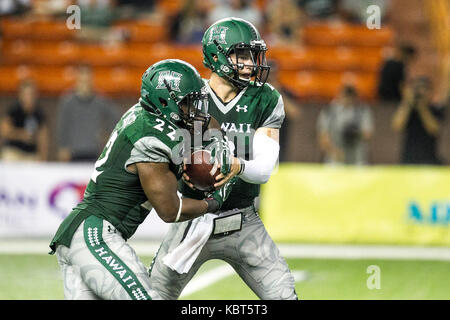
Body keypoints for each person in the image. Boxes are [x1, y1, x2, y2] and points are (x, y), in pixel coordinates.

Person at [49, 59, 235, 300]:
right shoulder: (149, 138)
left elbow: (208, 124)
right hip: (94, 234)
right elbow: (171, 210)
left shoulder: (148, 116)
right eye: (188, 103)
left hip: (80, 234)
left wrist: (217, 144)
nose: (196, 110)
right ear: (165, 102)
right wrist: (214, 203)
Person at [149, 18, 298, 300]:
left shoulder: (264, 98)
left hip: (243, 220)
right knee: (153, 295)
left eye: (252, 55)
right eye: (241, 55)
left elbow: (266, 168)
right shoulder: (188, 94)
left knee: (284, 296)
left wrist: (237, 165)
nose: (251, 63)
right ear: (217, 56)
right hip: (192, 218)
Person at [56, 64, 121, 162]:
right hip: (73, 153)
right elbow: (62, 125)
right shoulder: (67, 101)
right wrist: (62, 146)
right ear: (77, 80)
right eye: (82, 81)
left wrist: (107, 135)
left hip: (93, 151)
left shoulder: (100, 100)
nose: (84, 85)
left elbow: (117, 117)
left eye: (87, 81)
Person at [392, 76, 445, 165]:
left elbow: (434, 129)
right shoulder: (408, 109)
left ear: (431, 92)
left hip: (429, 159)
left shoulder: (436, 109)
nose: (421, 93)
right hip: (408, 158)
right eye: (417, 89)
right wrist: (407, 102)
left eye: (425, 89)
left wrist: (422, 108)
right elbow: (397, 126)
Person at [317, 84, 374, 165]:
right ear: (339, 95)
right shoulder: (329, 111)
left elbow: (368, 134)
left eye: (350, 96)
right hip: (335, 159)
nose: (347, 99)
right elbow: (323, 137)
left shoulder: (362, 110)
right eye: (346, 96)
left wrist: (355, 132)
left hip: (357, 158)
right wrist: (334, 152)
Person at [0, 79, 49, 161]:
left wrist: (43, 158)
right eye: (26, 94)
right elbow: (3, 131)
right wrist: (21, 134)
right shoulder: (14, 110)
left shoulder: (39, 114)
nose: (28, 97)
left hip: (31, 154)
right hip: (14, 151)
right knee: (7, 157)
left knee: (36, 163)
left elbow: (43, 139)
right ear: (20, 94)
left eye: (31, 94)